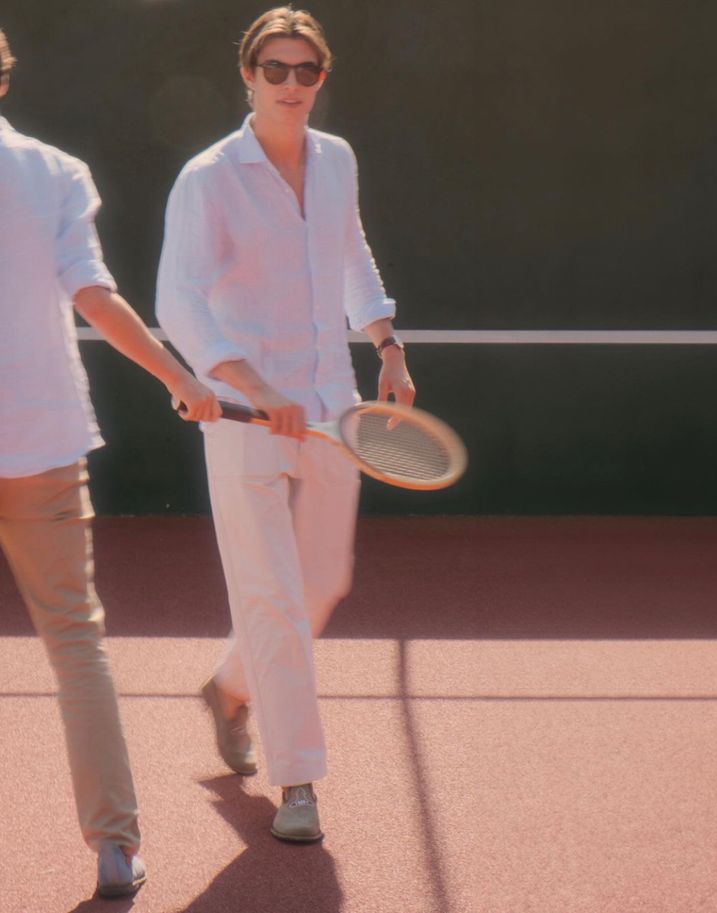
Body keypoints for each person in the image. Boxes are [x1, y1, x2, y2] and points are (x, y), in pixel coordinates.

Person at [156, 6, 415, 842]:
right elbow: (178, 300)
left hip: (332, 404)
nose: (292, 84)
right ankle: (297, 776)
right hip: (241, 415)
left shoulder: (335, 160)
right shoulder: (208, 176)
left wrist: (386, 341)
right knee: (270, 596)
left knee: (321, 583)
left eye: (307, 71)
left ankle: (231, 685)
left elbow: (349, 252)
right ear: (248, 74)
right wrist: (252, 383)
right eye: (277, 69)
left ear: (322, 77)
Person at [0, 29, 221, 897]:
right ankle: (116, 846)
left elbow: (91, 293)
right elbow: (92, 294)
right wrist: (179, 376)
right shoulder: (54, 171)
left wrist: (180, 375)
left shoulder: (54, 172)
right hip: (45, 443)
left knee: (77, 645)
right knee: (77, 645)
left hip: (44, 440)